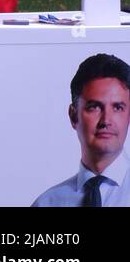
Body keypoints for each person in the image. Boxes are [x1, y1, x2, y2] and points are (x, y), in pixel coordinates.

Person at [33, 53, 130, 207]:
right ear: (73, 116)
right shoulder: (48, 203)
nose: (106, 121)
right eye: (94, 107)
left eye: (118, 107)